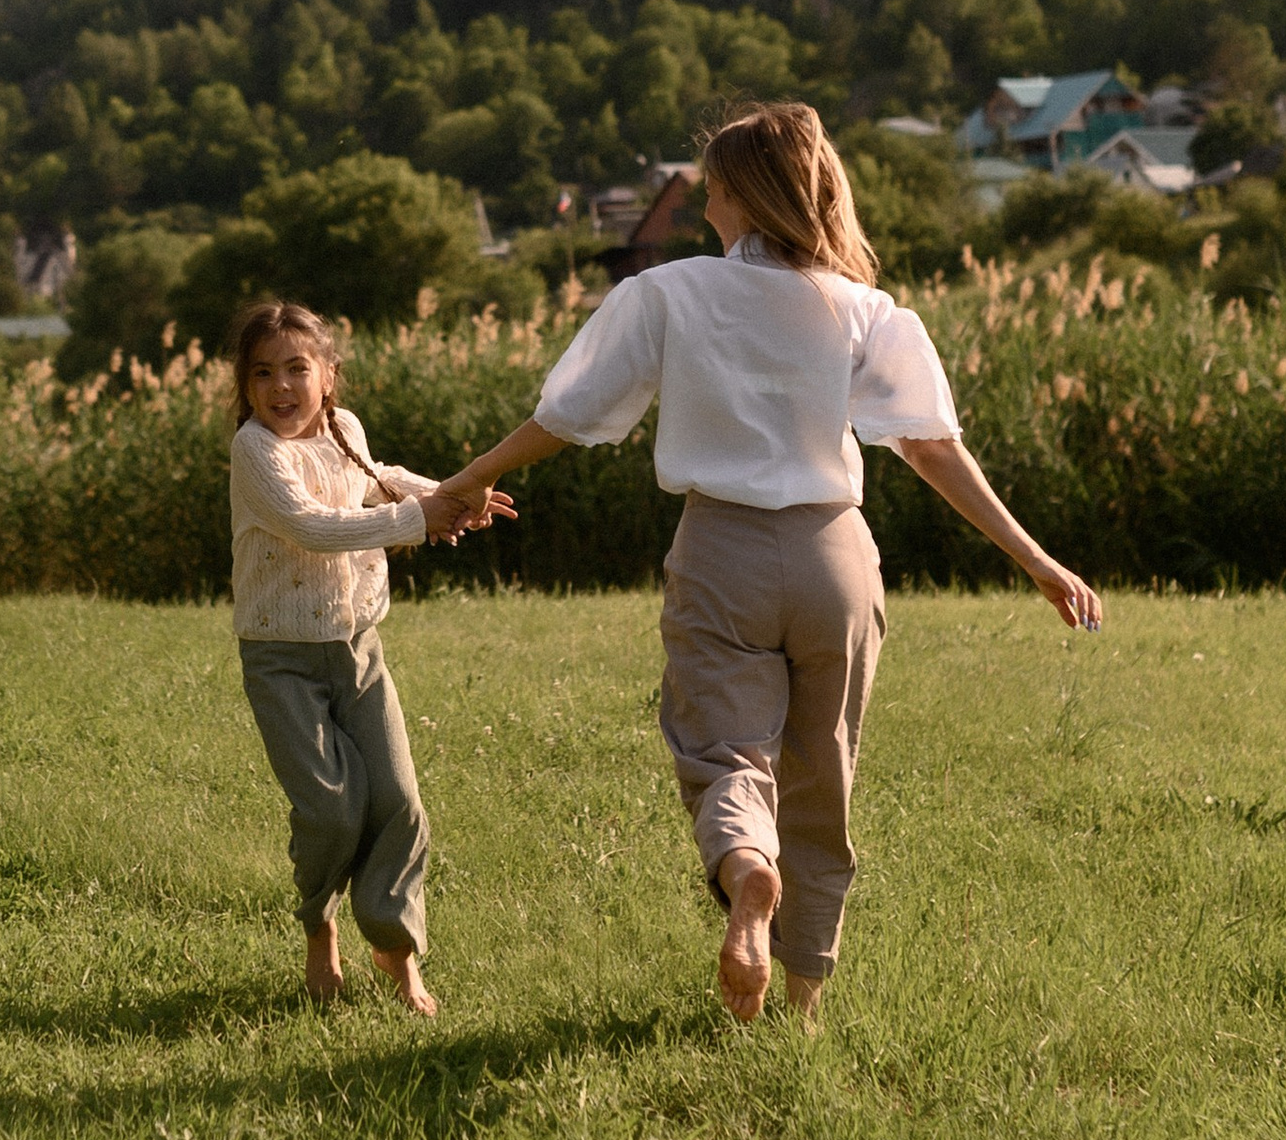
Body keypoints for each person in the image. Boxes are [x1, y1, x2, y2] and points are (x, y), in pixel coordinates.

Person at [423, 101, 1101, 1027]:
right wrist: (1038, 560)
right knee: (825, 773)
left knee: (723, 752)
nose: (703, 203)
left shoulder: (667, 294)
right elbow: (933, 448)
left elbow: (570, 419)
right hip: (837, 558)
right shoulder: (865, 310)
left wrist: (466, 479)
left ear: (742, 192)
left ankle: (748, 871)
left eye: (711, 186)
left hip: (723, 549)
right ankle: (803, 1004)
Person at [225, 296, 506, 1018]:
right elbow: (311, 527)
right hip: (282, 657)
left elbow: (374, 477)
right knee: (331, 808)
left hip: (358, 649)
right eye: (263, 373)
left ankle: (394, 948)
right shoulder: (256, 450)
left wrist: (448, 495)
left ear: (329, 375)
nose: (281, 387)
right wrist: (420, 518)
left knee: (400, 804)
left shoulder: (343, 428)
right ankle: (320, 921)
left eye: (296, 368)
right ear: (245, 386)